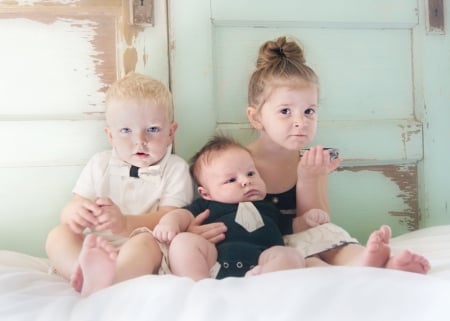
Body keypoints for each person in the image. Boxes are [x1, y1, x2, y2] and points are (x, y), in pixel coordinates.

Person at [243, 35, 430, 273]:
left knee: (328, 238)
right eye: (285, 111)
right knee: (306, 259)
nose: (300, 121)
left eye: (309, 111)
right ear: (256, 117)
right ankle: (359, 265)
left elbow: (319, 223)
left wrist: (309, 178)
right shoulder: (238, 161)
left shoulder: (310, 160)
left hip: (305, 241)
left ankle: (373, 260)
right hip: (263, 248)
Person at [45, 72, 194, 296]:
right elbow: (74, 207)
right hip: (96, 245)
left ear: (171, 133)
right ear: (110, 135)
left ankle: (112, 281)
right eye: (126, 131)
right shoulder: (100, 164)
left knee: (145, 243)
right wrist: (75, 213)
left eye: (152, 129)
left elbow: (169, 217)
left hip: (142, 245)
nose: (140, 141)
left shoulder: (175, 168)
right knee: (58, 234)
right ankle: (81, 272)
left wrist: (124, 223)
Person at [153, 135, 309, 280]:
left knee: (291, 256)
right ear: (206, 193)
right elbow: (181, 214)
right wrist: (169, 223)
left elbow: (290, 226)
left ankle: (263, 284)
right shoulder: (207, 205)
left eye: (250, 173)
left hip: (264, 261)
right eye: (231, 179)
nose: (245, 181)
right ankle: (199, 287)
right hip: (214, 262)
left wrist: (307, 220)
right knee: (182, 242)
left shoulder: (268, 207)